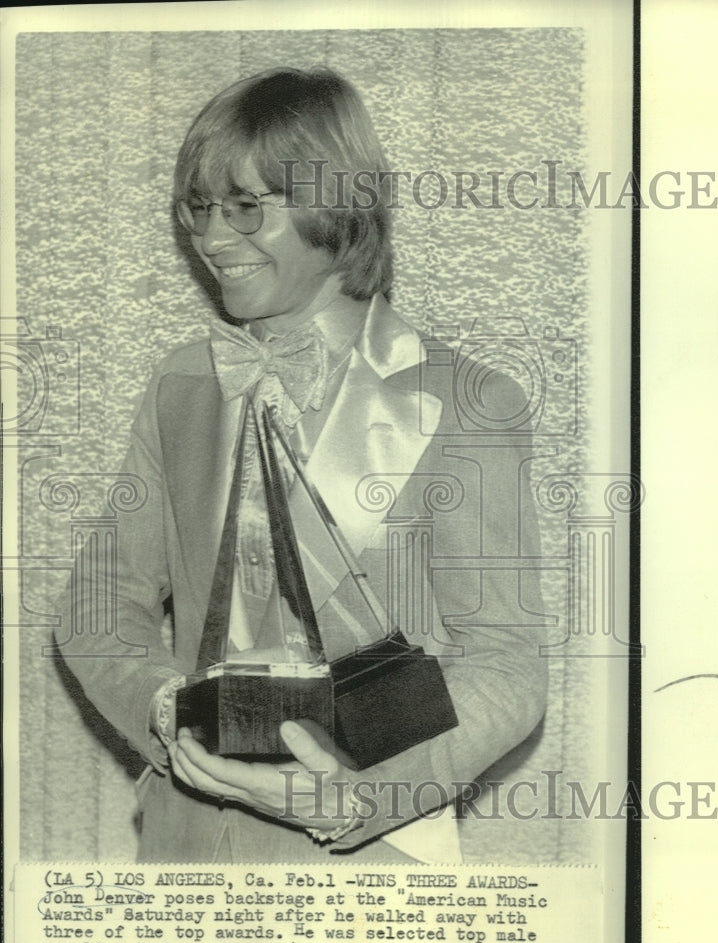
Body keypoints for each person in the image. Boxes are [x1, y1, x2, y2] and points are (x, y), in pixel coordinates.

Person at [56, 66, 547, 863]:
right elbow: (97, 602)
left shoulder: (466, 400)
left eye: (247, 208)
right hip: (182, 859)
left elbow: (507, 664)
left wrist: (354, 796)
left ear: (333, 201)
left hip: (365, 868)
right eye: (201, 207)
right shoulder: (182, 384)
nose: (214, 240)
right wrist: (163, 712)